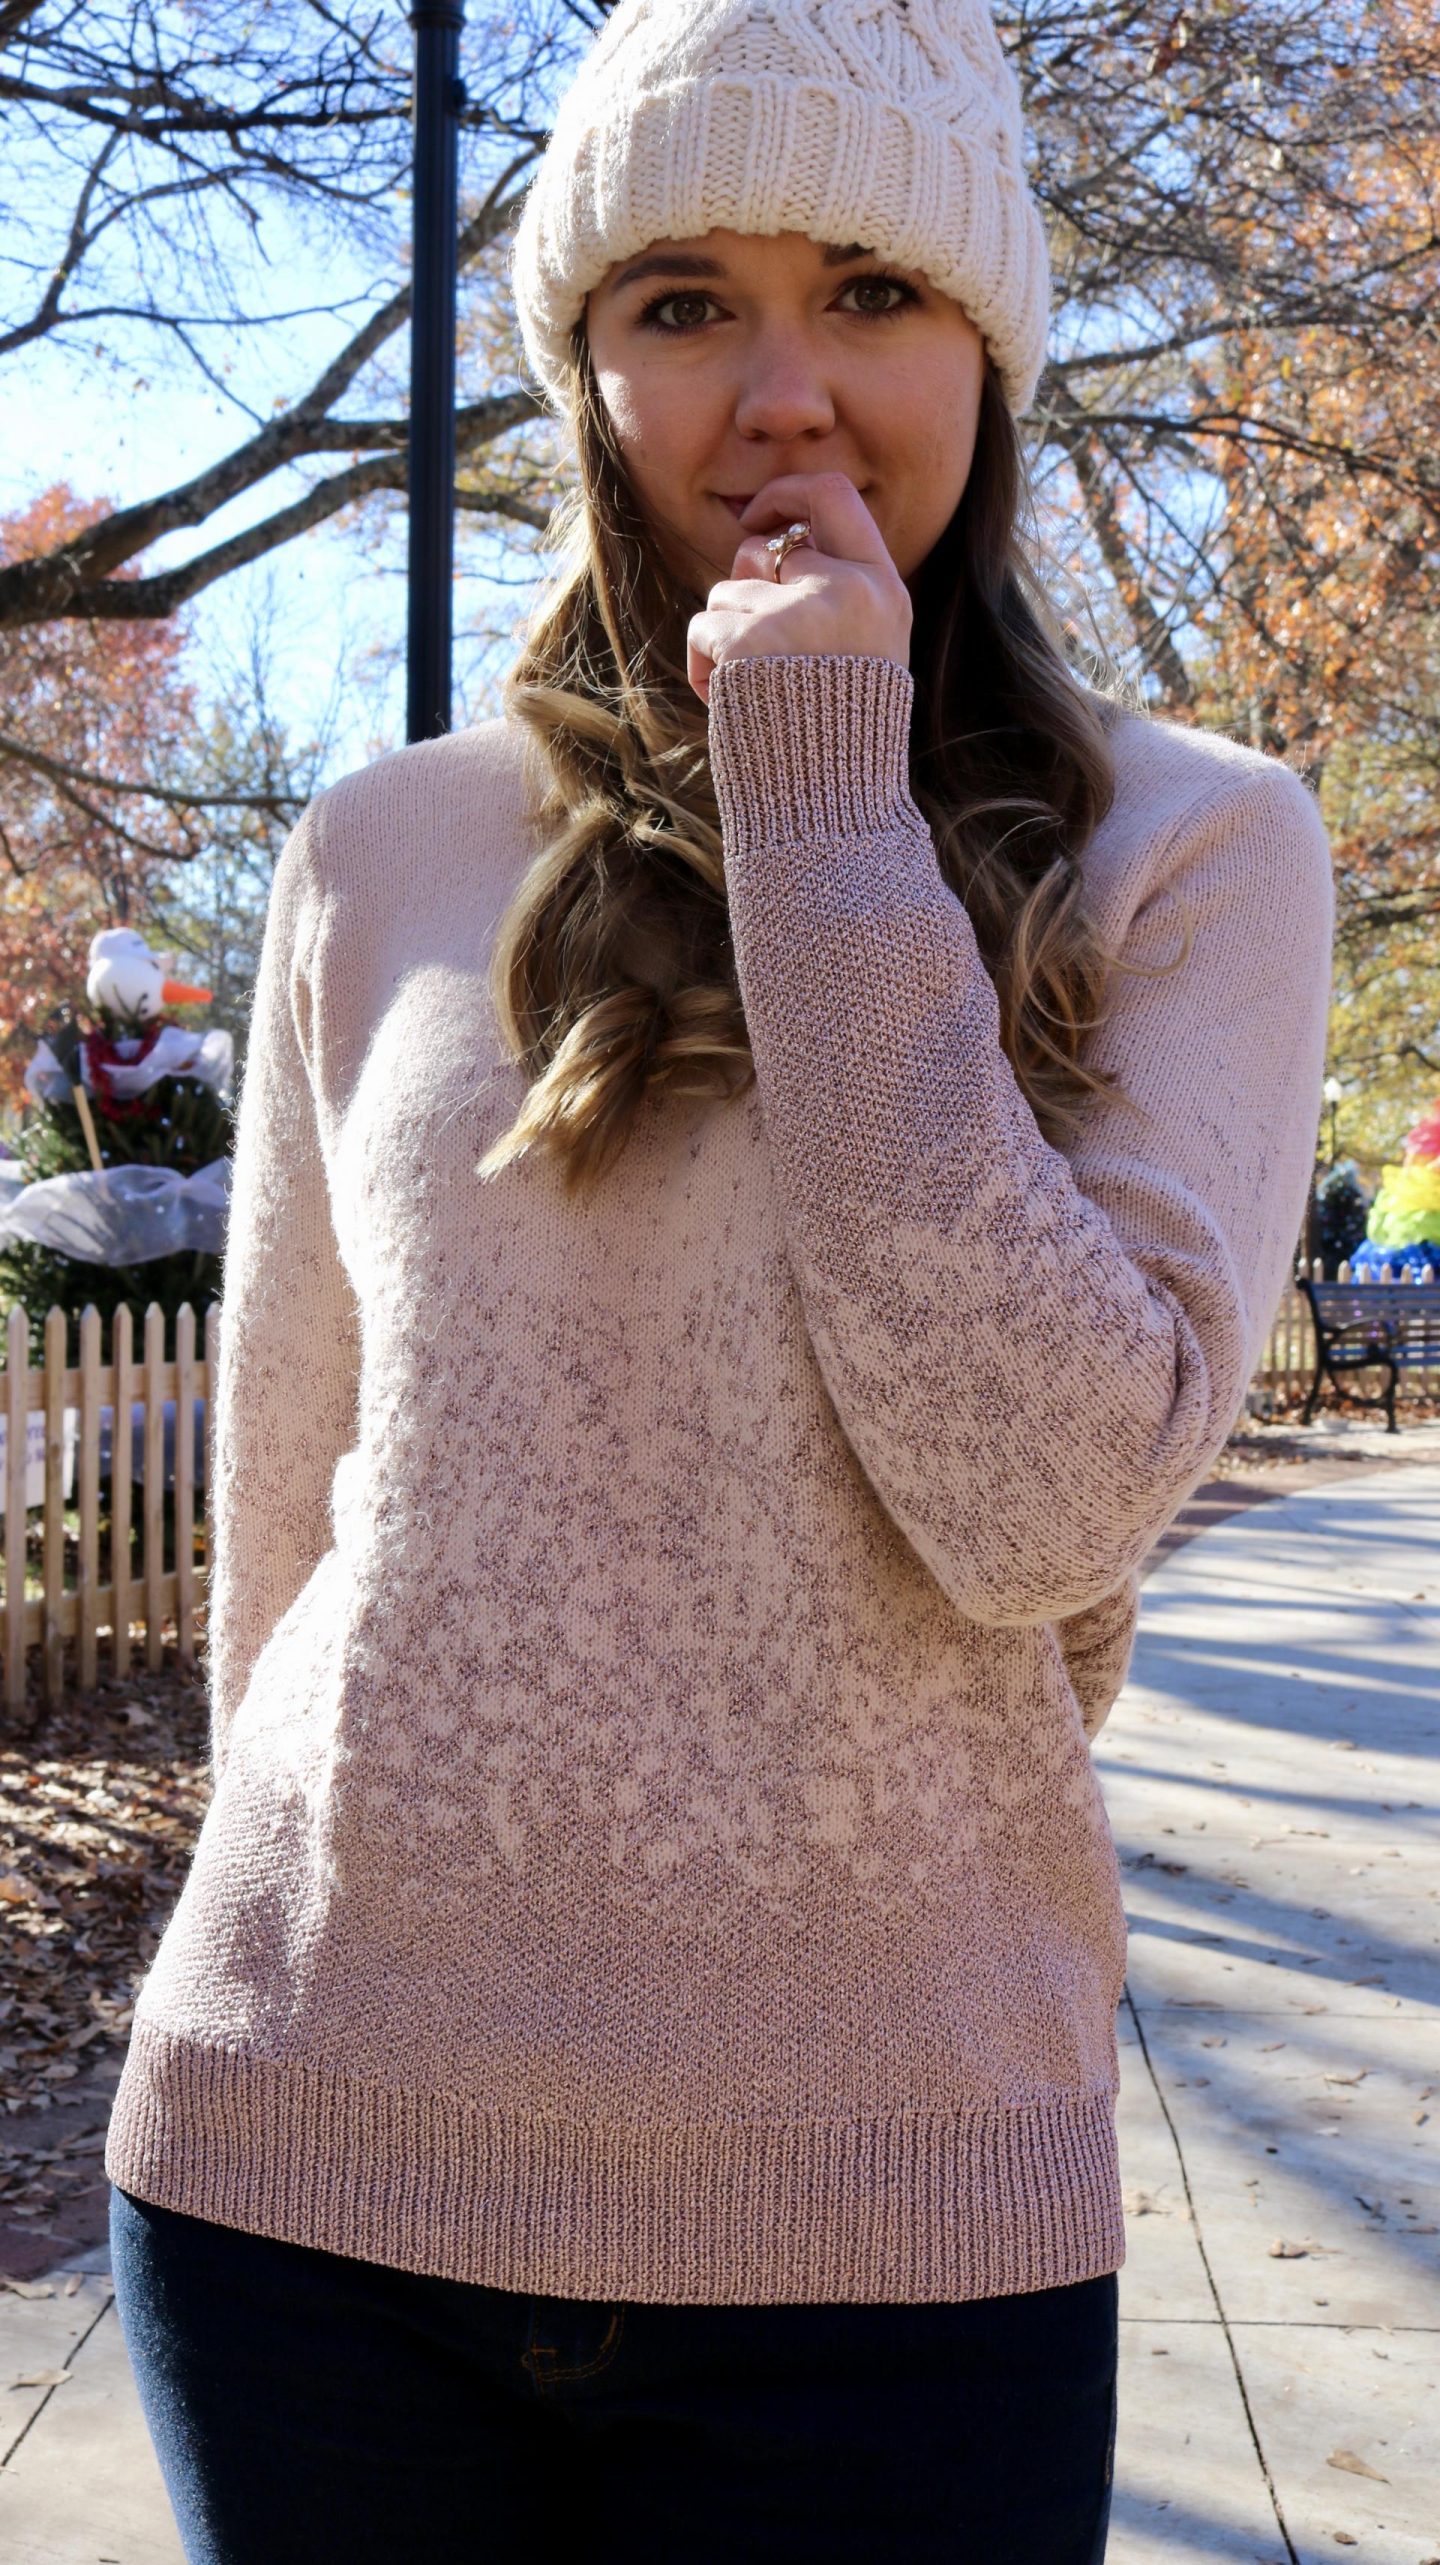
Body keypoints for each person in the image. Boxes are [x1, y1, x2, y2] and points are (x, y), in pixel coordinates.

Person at [104, 2, 1335, 2558]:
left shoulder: (1197, 852)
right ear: (584, 365)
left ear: (986, 335)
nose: (780, 389)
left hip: (892, 2243)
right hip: (311, 2181)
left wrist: (826, 806)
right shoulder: (379, 849)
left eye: (868, 285)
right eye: (682, 302)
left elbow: (1043, 1495)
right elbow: (291, 1531)